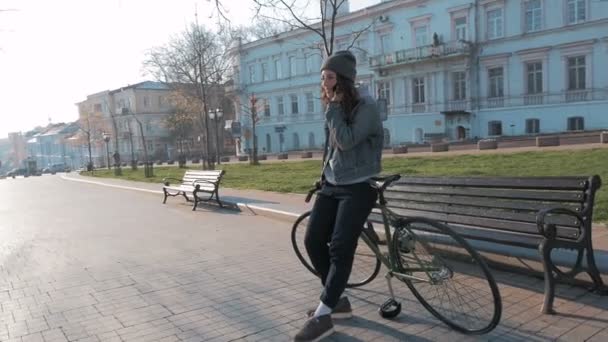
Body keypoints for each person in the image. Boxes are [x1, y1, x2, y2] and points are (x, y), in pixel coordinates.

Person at [294, 50, 384, 342]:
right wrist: (323, 175)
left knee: (340, 248)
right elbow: (331, 148)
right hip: (333, 184)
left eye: (329, 77)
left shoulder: (366, 106)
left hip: (359, 185)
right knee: (312, 240)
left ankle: (323, 315)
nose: (324, 83)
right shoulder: (335, 105)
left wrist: (332, 109)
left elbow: (345, 142)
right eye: (322, 77)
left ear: (344, 79)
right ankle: (339, 301)